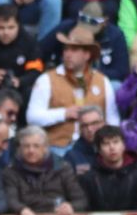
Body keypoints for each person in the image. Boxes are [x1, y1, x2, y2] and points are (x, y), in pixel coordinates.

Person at [27, 24, 117, 154]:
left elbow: (113, 120)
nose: (68, 54)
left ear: (86, 55)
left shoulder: (102, 81)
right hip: (57, 147)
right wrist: (63, 113)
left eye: (74, 50)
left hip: (95, 149)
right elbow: (32, 117)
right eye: (66, 49)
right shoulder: (46, 79)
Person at [2, 125, 86, 215]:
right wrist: (22, 210)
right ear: (19, 148)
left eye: (36, 146)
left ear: (45, 148)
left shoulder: (63, 168)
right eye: (26, 146)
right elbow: (10, 200)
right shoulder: (11, 171)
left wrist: (71, 207)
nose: (31, 150)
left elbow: (81, 200)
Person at [79, 124, 137, 210]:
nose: (112, 147)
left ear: (124, 146)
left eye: (116, 142)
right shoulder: (89, 179)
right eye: (106, 144)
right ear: (99, 150)